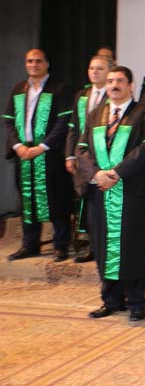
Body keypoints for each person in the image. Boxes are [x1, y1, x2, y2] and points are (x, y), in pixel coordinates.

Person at [76, 66, 145, 321]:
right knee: (102, 245)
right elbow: (81, 149)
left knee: (131, 247)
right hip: (100, 193)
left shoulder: (144, 114)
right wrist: (97, 174)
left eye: (120, 80)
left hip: (131, 192)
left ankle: (136, 302)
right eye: (111, 80)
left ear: (131, 85)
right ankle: (111, 300)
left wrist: (117, 173)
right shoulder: (96, 114)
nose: (114, 85)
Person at [4, 49, 74, 261]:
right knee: (27, 200)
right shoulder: (18, 89)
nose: (33, 65)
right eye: (29, 61)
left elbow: (63, 123)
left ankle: (61, 245)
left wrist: (42, 146)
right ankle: (30, 244)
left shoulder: (60, 89)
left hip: (49, 154)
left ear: (46, 64)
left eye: (38, 61)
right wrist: (18, 146)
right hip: (23, 154)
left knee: (57, 199)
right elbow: (9, 121)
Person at [66, 54, 112, 262]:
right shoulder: (82, 95)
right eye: (92, 68)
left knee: (103, 204)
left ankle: (105, 247)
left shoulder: (113, 95)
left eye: (100, 68)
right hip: (83, 158)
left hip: (105, 158)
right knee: (87, 203)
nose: (94, 72)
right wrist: (70, 154)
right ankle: (92, 245)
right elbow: (73, 127)